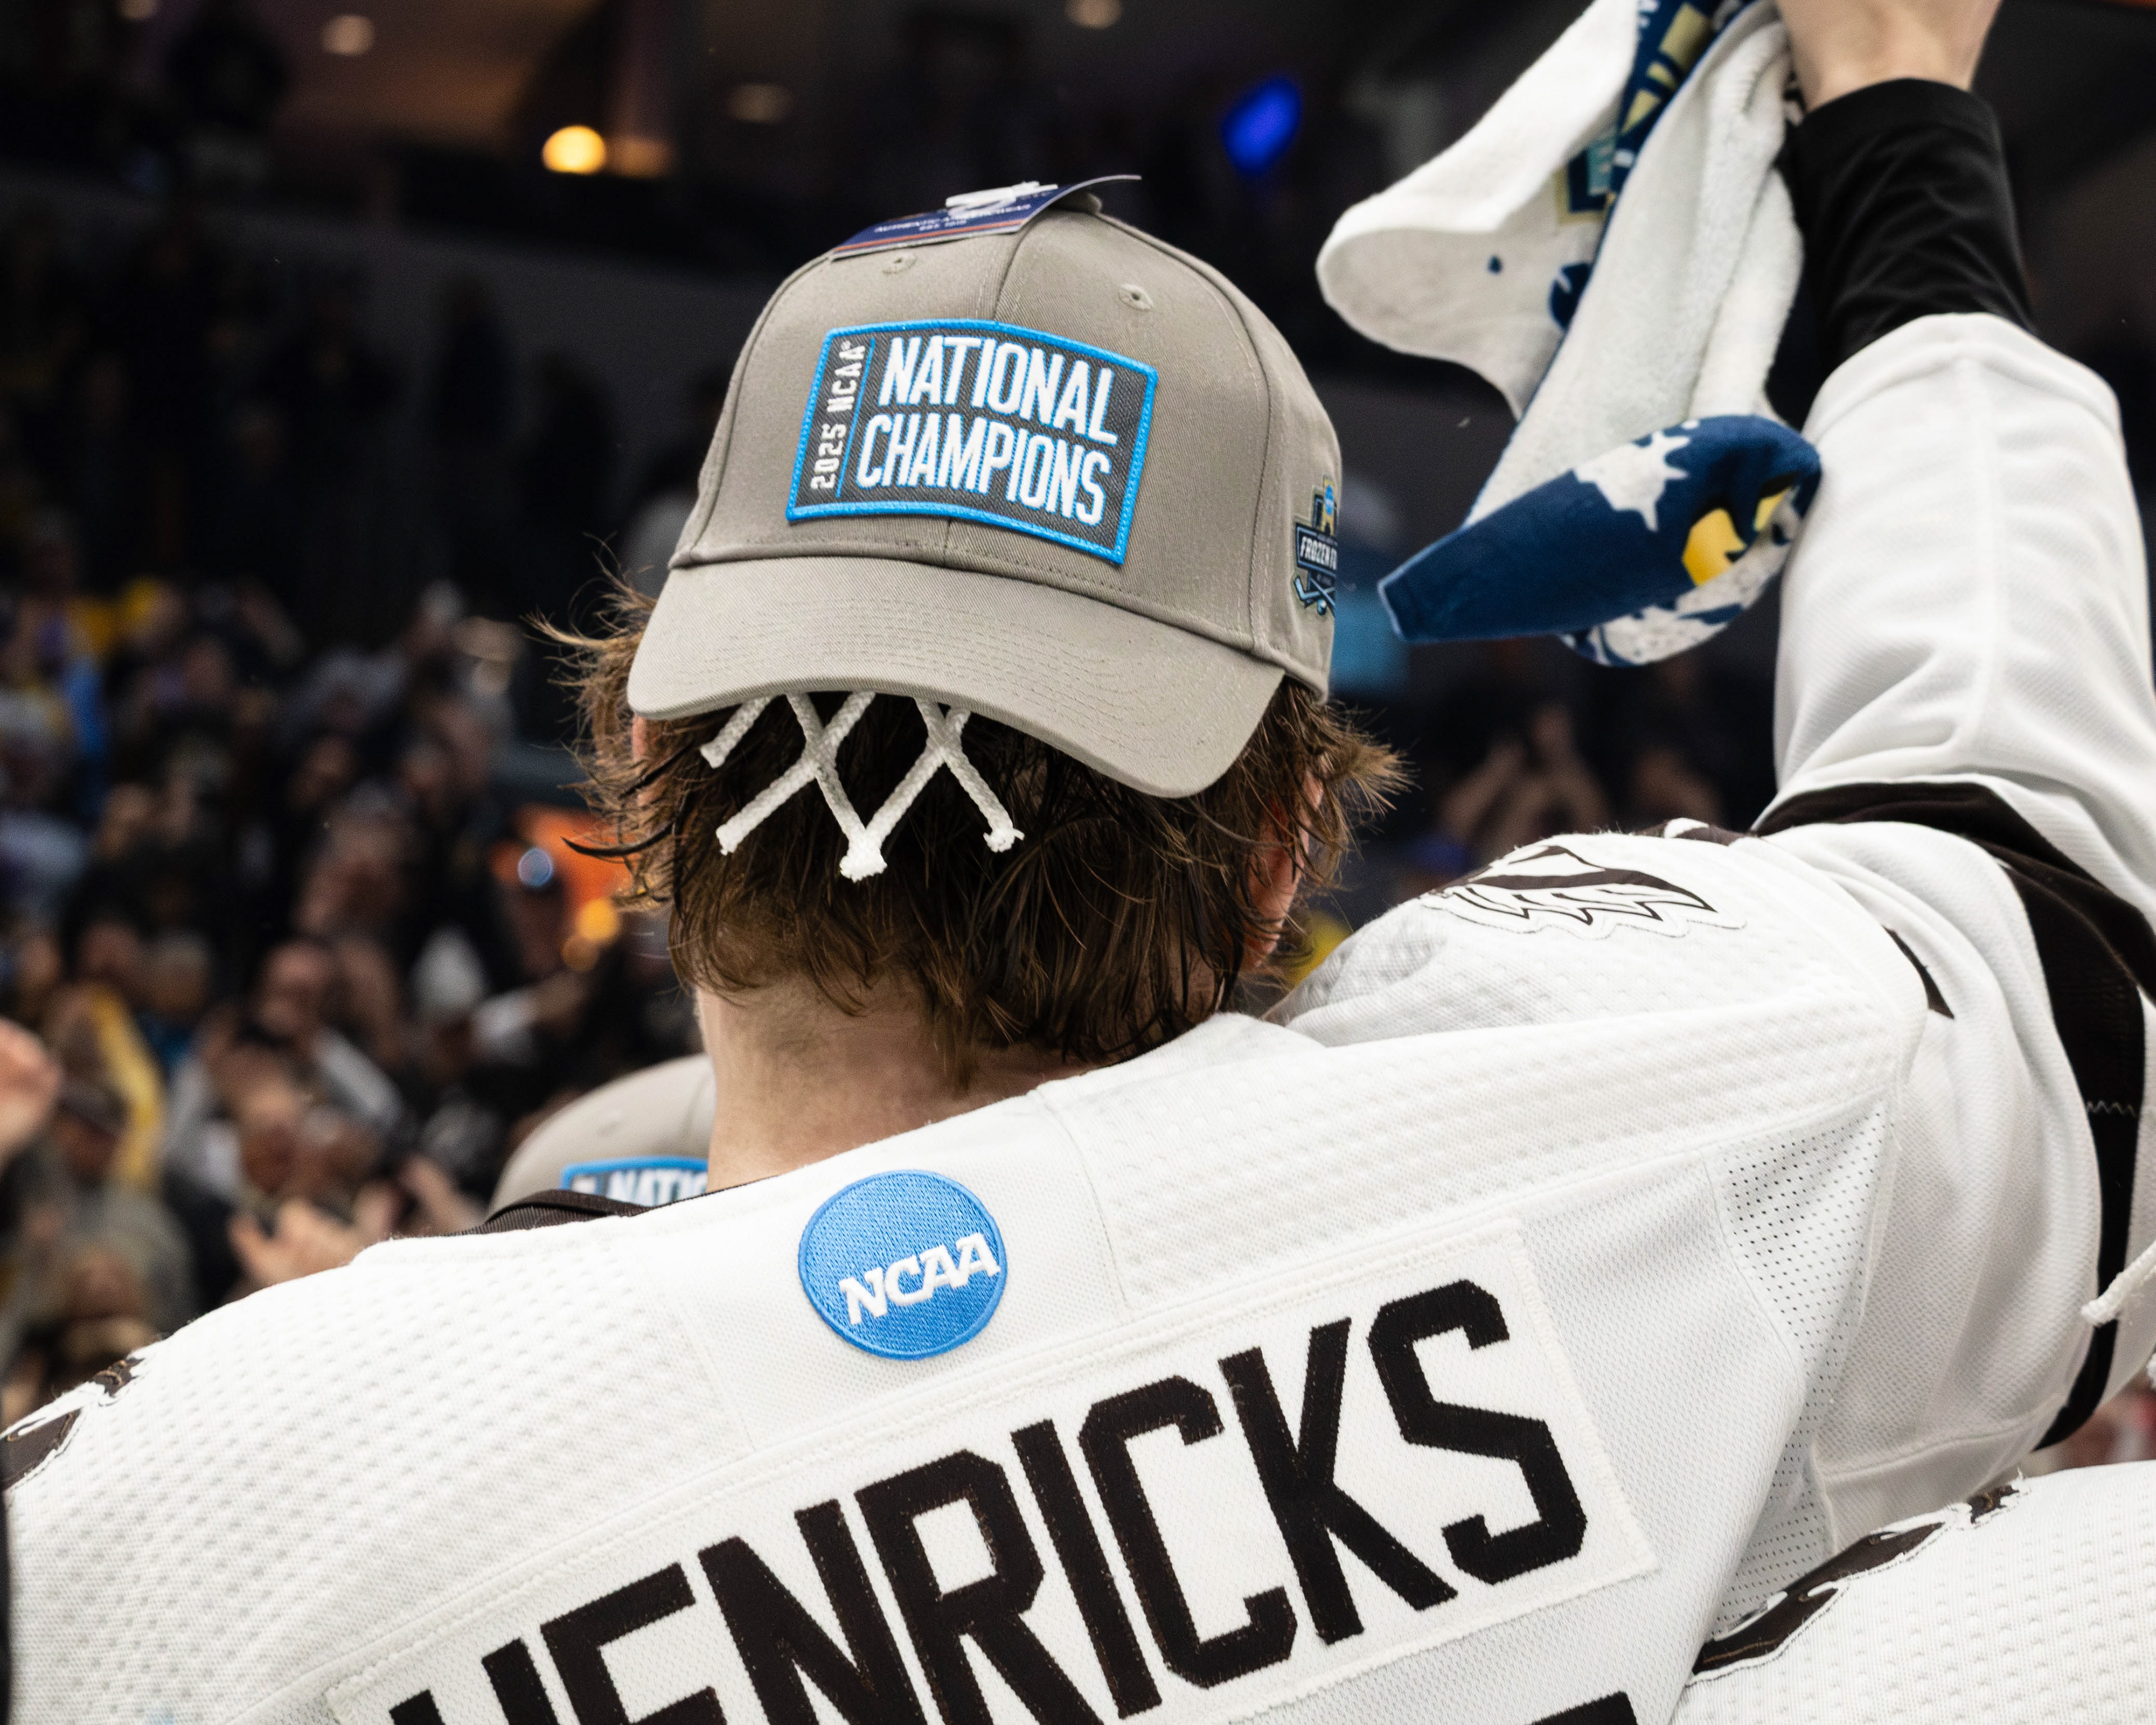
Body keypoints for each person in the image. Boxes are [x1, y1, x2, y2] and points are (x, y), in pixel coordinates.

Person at [8, 6, 2156, 1725]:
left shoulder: (184, 1536)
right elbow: (2017, 861)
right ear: (1278, 861)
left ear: (643, 755)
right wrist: (1896, 126)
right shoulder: (1654, 1136)